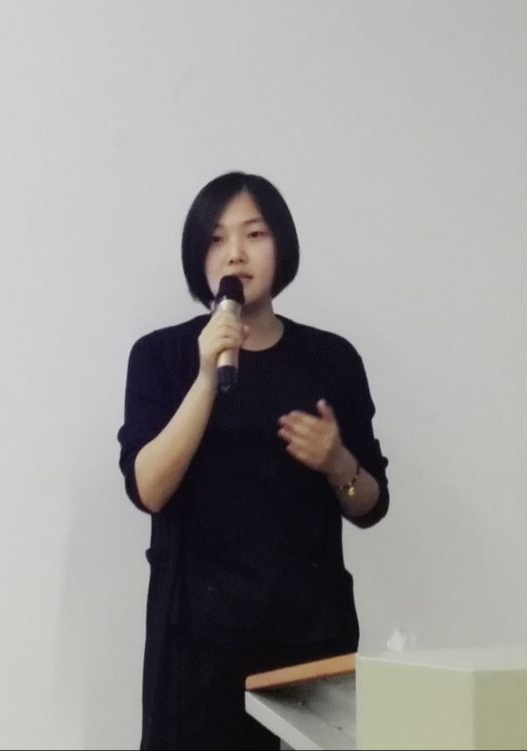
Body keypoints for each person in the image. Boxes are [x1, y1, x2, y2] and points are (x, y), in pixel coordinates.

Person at [117, 172, 390, 750]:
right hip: (196, 647)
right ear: (198, 256)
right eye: (216, 239)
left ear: (282, 245)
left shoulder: (332, 359)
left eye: (255, 234)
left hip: (309, 642)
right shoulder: (161, 356)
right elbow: (149, 489)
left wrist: (338, 461)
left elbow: (371, 504)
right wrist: (205, 376)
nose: (235, 254)